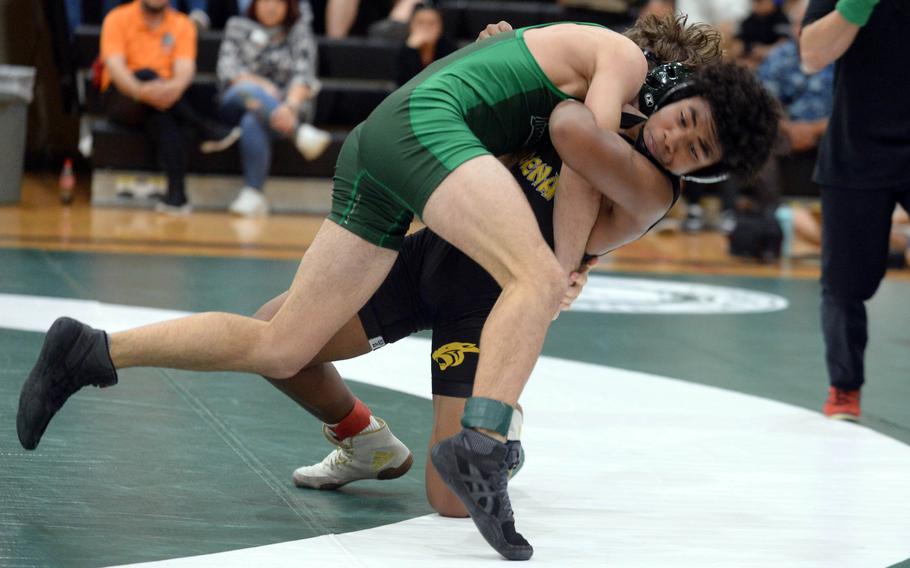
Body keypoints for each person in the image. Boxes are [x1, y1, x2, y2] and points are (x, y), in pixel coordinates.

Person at [19, 17, 778, 560]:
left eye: (697, 150)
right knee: (299, 338)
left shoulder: (650, 186)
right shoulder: (613, 77)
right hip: (439, 245)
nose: (678, 140)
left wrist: (567, 255)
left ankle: (483, 422)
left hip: (477, 287)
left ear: (702, 172)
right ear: (670, 89)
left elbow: (578, 142)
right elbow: (568, 128)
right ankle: (443, 438)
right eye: (683, 121)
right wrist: (512, 62)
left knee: (313, 367)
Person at [800, 0, 910, 422]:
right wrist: (857, 6)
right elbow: (811, 57)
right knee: (845, 282)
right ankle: (844, 388)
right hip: (857, 149)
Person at [99, 0, 241, 214]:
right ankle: (204, 127)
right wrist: (140, 90)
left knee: (162, 119)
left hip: (165, 100)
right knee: (146, 75)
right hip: (123, 98)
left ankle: (177, 196)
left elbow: (185, 70)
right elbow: (115, 67)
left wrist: (168, 92)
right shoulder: (117, 18)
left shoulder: (182, 24)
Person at [216, 0, 330, 217]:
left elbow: (304, 77)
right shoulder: (237, 26)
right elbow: (229, 71)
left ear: (290, 6)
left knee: (253, 120)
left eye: (279, 2)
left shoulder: (299, 32)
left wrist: (290, 106)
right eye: (265, 1)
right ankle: (298, 133)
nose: (271, 6)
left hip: (287, 108)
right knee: (247, 91)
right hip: (237, 98)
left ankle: (253, 194)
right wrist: (263, 86)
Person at [394, 3, 456, 86]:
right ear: (411, 25)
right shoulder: (404, 50)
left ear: (441, 26)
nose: (426, 28)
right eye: (420, 22)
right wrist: (411, 49)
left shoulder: (451, 51)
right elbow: (403, 86)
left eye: (432, 23)